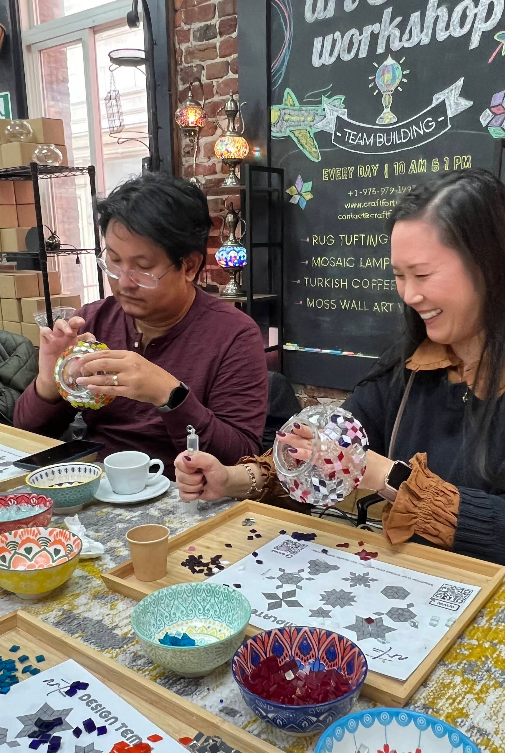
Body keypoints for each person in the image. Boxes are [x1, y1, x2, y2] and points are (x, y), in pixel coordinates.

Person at [175, 168, 505, 566]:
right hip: (415, 583)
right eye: (400, 276)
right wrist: (232, 479)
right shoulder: (412, 363)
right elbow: (324, 447)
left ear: (490, 266)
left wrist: (390, 477)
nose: (411, 295)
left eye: (423, 274)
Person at [14, 174, 268, 477]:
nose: (123, 282)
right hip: (99, 486)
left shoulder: (234, 335)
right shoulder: (93, 321)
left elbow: (240, 457)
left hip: (185, 496)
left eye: (144, 268)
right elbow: (28, 435)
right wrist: (49, 382)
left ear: (188, 266)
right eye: (114, 261)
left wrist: (169, 395)